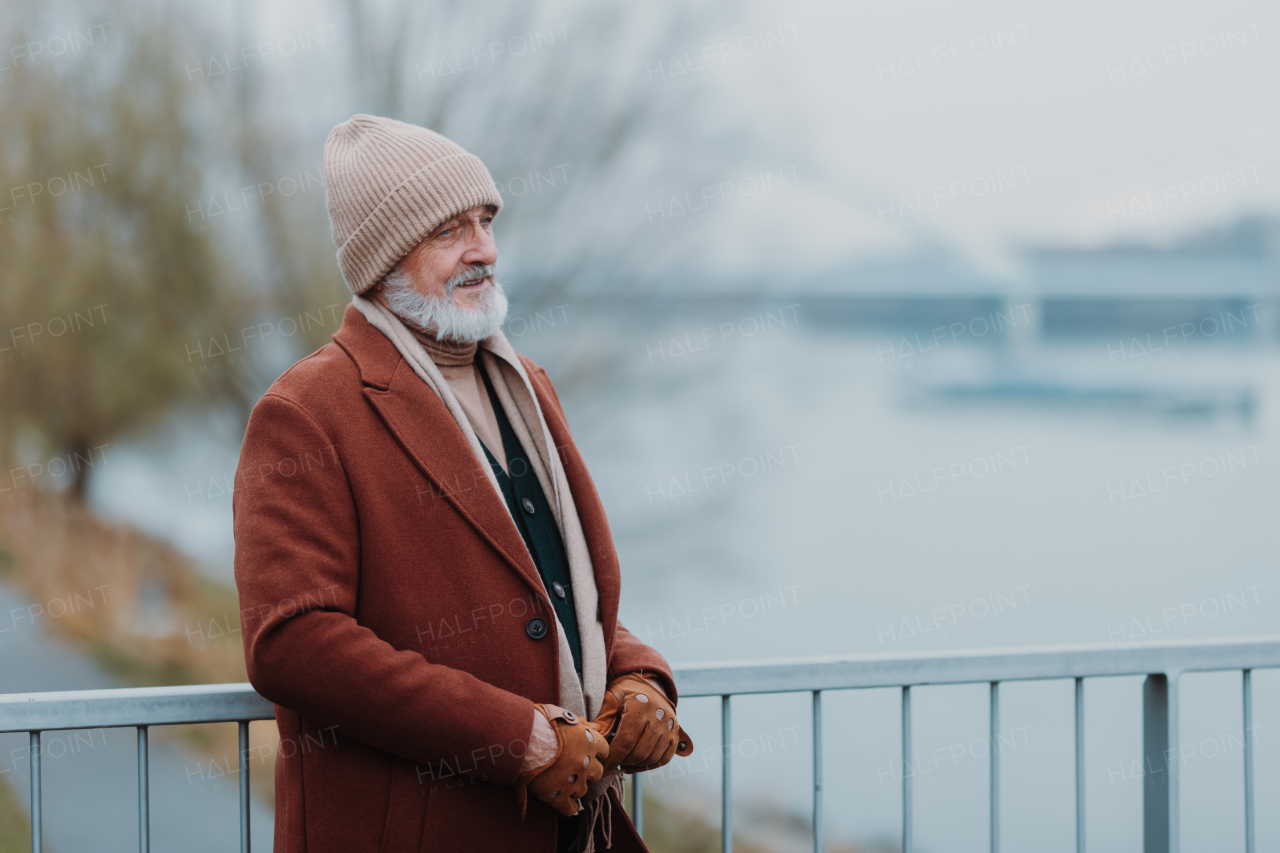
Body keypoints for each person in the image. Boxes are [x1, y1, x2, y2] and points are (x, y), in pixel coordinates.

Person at [232, 114, 691, 853]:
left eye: (484, 220)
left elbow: (544, 595)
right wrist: (517, 739)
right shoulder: (306, 411)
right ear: (384, 258)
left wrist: (640, 676)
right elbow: (293, 641)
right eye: (449, 231)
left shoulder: (528, 387)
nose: (484, 249)